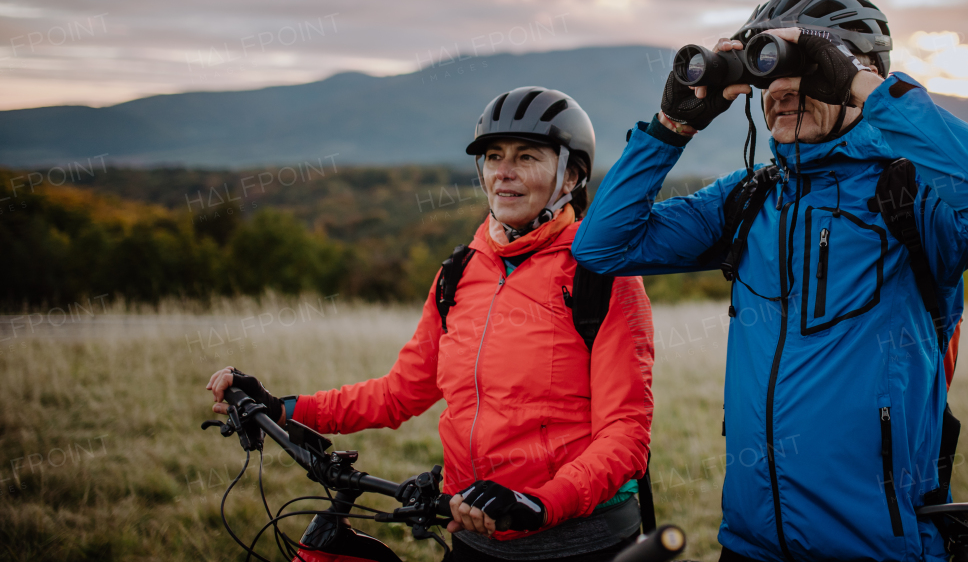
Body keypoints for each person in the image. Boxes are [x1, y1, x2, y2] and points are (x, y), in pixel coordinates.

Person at [572, 0, 968, 562]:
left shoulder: (912, 199)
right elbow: (602, 246)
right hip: (748, 545)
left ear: (856, 76)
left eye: (809, 72)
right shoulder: (750, 198)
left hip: (877, 548)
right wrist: (672, 125)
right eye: (771, 76)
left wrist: (866, 88)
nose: (784, 92)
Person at [207, 87, 655, 562]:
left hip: (576, 542)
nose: (503, 172)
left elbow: (625, 434)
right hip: (469, 531)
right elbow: (399, 393)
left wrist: (540, 503)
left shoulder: (602, 275)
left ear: (571, 176)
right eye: (493, 157)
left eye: (526, 157)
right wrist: (286, 409)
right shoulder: (458, 274)